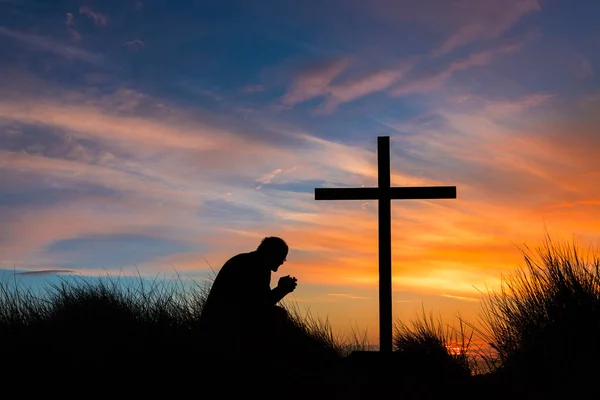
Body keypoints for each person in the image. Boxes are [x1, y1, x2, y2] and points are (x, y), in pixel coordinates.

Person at [199, 236, 298, 353]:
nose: (282, 262)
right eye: (281, 258)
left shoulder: (250, 261)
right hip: (225, 325)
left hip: (221, 321)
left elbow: (259, 302)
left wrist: (281, 289)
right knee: (277, 315)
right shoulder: (255, 266)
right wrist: (282, 290)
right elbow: (259, 305)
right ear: (271, 253)